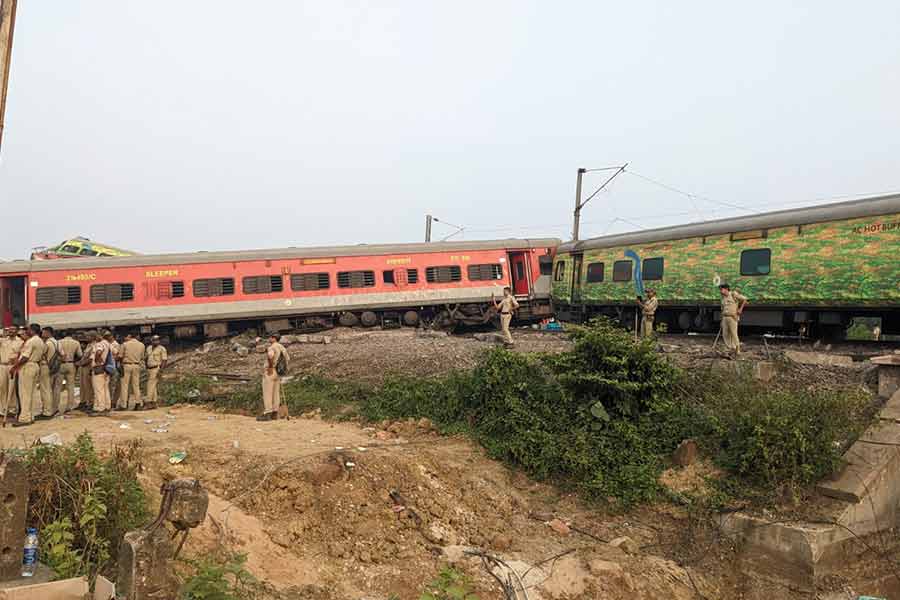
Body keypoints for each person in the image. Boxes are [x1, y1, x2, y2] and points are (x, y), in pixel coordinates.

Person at [12, 324, 44, 427]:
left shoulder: (31, 341)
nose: (27, 331)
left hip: (27, 366)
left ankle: (24, 418)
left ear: (32, 330)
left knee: (24, 393)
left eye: (28, 330)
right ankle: (30, 416)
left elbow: (25, 357)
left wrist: (14, 367)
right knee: (31, 393)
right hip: (35, 365)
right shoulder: (40, 341)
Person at [259, 333, 288, 421]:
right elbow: (287, 359)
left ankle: (267, 413)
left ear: (273, 338)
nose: (269, 339)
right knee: (276, 393)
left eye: (270, 337)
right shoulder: (282, 347)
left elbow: (270, 356)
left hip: (270, 371)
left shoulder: (272, 347)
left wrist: (271, 367)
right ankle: (275, 413)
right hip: (278, 372)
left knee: (268, 392)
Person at [57, 331, 83, 413]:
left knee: (58, 386)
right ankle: (69, 406)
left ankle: (55, 406)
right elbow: (80, 355)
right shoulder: (76, 342)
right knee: (71, 386)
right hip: (71, 364)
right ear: (72, 335)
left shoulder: (59, 342)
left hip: (61, 364)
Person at [118, 333, 145, 411]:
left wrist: (120, 364)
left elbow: (120, 356)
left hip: (126, 365)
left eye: (126, 336)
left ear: (129, 336)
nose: (125, 338)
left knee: (124, 386)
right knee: (136, 385)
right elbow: (142, 357)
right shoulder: (142, 345)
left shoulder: (125, 344)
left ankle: (124, 405)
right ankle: (138, 403)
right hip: (136, 365)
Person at [719, 283, 748, 356]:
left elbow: (744, 299)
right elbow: (722, 310)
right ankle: (729, 348)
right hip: (725, 318)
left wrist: (740, 309)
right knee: (725, 334)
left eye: (721, 289)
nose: (720, 291)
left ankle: (737, 349)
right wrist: (722, 320)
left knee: (734, 334)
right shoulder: (723, 298)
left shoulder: (733, 294)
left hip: (732, 317)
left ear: (726, 289)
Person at [0, 326, 22, 416]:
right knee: (2, 387)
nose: (11, 331)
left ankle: (12, 409)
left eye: (13, 329)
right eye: (9, 329)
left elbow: (22, 354)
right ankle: (3, 409)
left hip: (13, 366)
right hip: (2, 366)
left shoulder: (20, 342)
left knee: (12, 388)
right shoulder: (3, 340)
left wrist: (16, 360)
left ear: (17, 331)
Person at [38, 326, 60, 418]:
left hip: (45, 367)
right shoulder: (57, 342)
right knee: (55, 390)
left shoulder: (47, 343)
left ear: (48, 333)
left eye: (43, 332)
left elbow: (40, 355)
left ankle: (47, 411)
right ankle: (54, 409)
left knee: (45, 390)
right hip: (55, 368)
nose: (42, 334)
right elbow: (63, 355)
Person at [90, 330, 112, 416]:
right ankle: (107, 407)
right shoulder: (107, 343)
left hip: (99, 368)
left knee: (99, 390)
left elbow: (99, 352)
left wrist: (98, 361)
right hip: (106, 369)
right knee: (105, 389)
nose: (95, 337)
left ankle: (101, 409)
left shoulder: (99, 344)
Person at [144, 335, 167, 410]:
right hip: (149, 369)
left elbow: (164, 360)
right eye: (154, 340)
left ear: (159, 341)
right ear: (151, 340)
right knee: (153, 387)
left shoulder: (162, 349)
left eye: (157, 340)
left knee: (150, 385)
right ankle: (154, 402)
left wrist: (161, 370)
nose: (155, 341)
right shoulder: (149, 348)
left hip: (156, 368)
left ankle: (148, 402)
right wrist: (146, 367)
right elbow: (146, 358)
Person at [78, 334, 95, 411]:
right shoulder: (88, 345)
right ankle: (84, 402)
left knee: (89, 387)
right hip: (83, 367)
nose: (86, 338)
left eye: (88, 336)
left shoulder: (94, 345)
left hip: (89, 367)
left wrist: (81, 363)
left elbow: (91, 358)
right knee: (83, 386)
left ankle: (90, 403)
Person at [106, 331, 121, 405]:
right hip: (107, 367)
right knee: (108, 385)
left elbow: (117, 356)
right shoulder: (106, 343)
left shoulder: (116, 345)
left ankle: (113, 401)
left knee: (113, 385)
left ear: (112, 336)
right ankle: (109, 401)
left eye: (109, 335)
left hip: (114, 366)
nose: (107, 337)